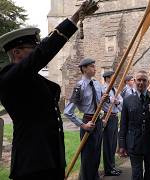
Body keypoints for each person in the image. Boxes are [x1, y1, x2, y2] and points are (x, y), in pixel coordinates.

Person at [0, 1, 98, 179]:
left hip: (51, 159)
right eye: (33, 49)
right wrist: (75, 18)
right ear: (16, 52)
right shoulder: (9, 77)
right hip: (32, 163)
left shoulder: (31, 77)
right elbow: (44, 52)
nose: (37, 52)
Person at [118, 70, 150, 180]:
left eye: (144, 80)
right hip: (133, 142)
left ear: (148, 82)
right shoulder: (127, 100)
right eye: (139, 80)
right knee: (137, 173)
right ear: (135, 81)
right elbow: (123, 124)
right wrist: (122, 144)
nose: (141, 82)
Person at [64, 58, 104, 180]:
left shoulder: (97, 84)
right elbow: (67, 111)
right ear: (84, 68)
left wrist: (103, 101)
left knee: (97, 154)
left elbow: (98, 102)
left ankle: (94, 177)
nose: (95, 69)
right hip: (87, 121)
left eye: (94, 66)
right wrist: (83, 125)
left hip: (98, 121)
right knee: (87, 156)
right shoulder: (79, 87)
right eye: (92, 66)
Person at [101, 70, 123, 176]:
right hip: (108, 117)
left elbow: (120, 101)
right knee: (108, 144)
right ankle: (108, 169)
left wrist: (117, 101)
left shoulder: (115, 89)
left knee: (114, 144)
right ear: (107, 78)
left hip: (114, 116)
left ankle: (113, 166)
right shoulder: (103, 88)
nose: (115, 79)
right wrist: (113, 100)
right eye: (113, 77)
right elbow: (106, 100)